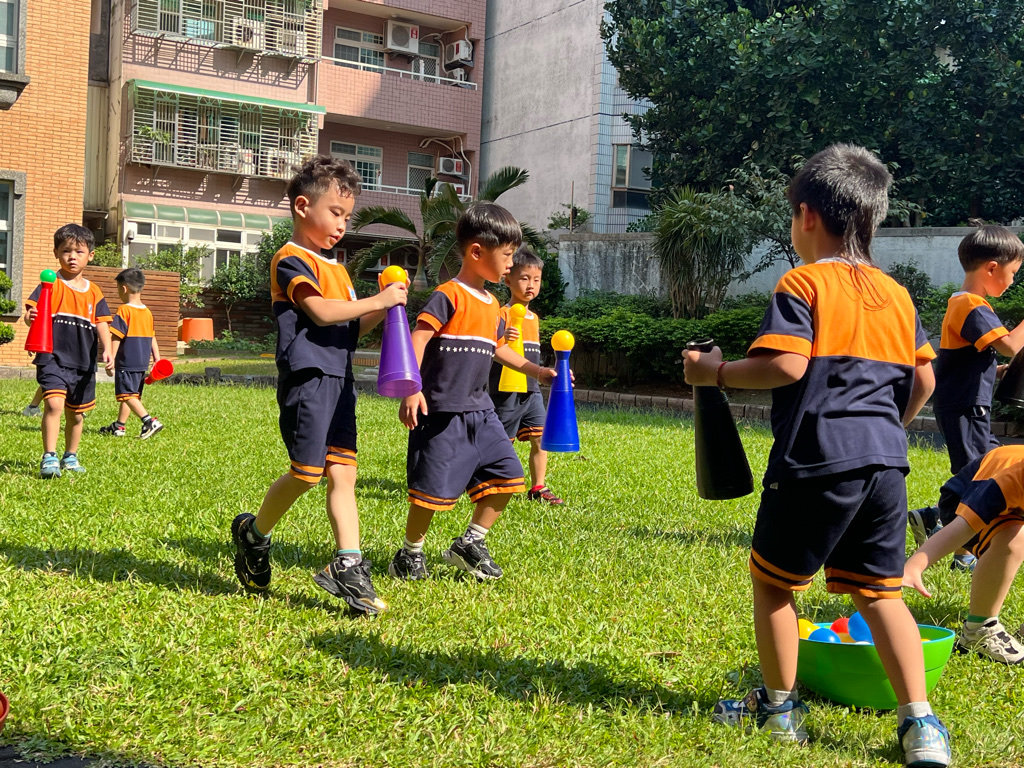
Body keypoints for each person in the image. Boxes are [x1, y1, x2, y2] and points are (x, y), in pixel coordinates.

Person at [683, 144, 950, 767]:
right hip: (886, 465)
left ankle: (779, 711)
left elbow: (785, 364)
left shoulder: (803, 282)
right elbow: (925, 380)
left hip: (816, 460)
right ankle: (921, 727)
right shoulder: (896, 294)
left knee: (773, 584)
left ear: (806, 215)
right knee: (880, 594)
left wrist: (712, 372)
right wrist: (887, 427)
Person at [230, 155, 408, 615]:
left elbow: (352, 327)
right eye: (336, 213)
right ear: (302, 206)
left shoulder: (339, 271)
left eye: (348, 217)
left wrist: (387, 308)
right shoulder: (290, 259)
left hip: (340, 379)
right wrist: (378, 297)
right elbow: (322, 312)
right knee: (307, 474)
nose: (342, 225)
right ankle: (254, 533)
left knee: (343, 472)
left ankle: (347, 564)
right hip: (308, 377)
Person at [389, 203, 558, 582]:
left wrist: (537, 371)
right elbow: (418, 338)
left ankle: (470, 542)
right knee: (430, 491)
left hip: (482, 411)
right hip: (441, 411)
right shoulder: (448, 295)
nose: (511, 266)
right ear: (478, 252)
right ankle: (409, 554)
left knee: (509, 476)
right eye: (507, 256)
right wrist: (411, 388)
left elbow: (499, 348)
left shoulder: (493, 304)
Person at [909, 222, 1024, 571]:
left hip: (966, 406)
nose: (1013, 281)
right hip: (965, 407)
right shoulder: (971, 305)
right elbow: (1011, 345)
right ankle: (962, 553)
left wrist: (996, 372)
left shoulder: (968, 305)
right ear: (992, 268)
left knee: (986, 466)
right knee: (979, 477)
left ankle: (933, 518)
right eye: (1013, 273)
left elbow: (968, 359)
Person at [904, 444, 1024, 665]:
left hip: (1011, 505)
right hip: (961, 500)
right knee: (1015, 539)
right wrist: (915, 566)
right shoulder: (1009, 480)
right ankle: (979, 629)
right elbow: (962, 528)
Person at [24, 223, 112, 479]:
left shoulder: (94, 291)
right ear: (56, 253)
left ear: (90, 255)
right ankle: (49, 456)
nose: (72, 256)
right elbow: (30, 314)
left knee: (77, 414)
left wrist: (107, 349)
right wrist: (31, 317)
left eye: (79, 252)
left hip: (83, 361)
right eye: (66, 251)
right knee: (53, 405)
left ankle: (70, 456)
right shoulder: (49, 284)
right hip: (51, 356)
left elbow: (102, 323)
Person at [488, 245, 563, 504]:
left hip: (532, 389)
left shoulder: (534, 318)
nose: (531, 285)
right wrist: (504, 336)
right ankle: (491, 482)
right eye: (524, 278)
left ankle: (538, 487)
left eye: (536, 279)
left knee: (540, 437)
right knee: (502, 440)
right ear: (507, 280)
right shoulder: (501, 314)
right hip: (505, 390)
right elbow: (493, 349)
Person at [100, 268, 164, 439]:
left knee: (126, 394)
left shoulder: (124, 310)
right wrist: (157, 358)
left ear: (124, 289)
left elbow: (116, 336)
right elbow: (152, 336)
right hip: (142, 362)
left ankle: (149, 422)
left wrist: (111, 357)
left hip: (127, 361)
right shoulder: (147, 312)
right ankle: (119, 426)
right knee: (132, 395)